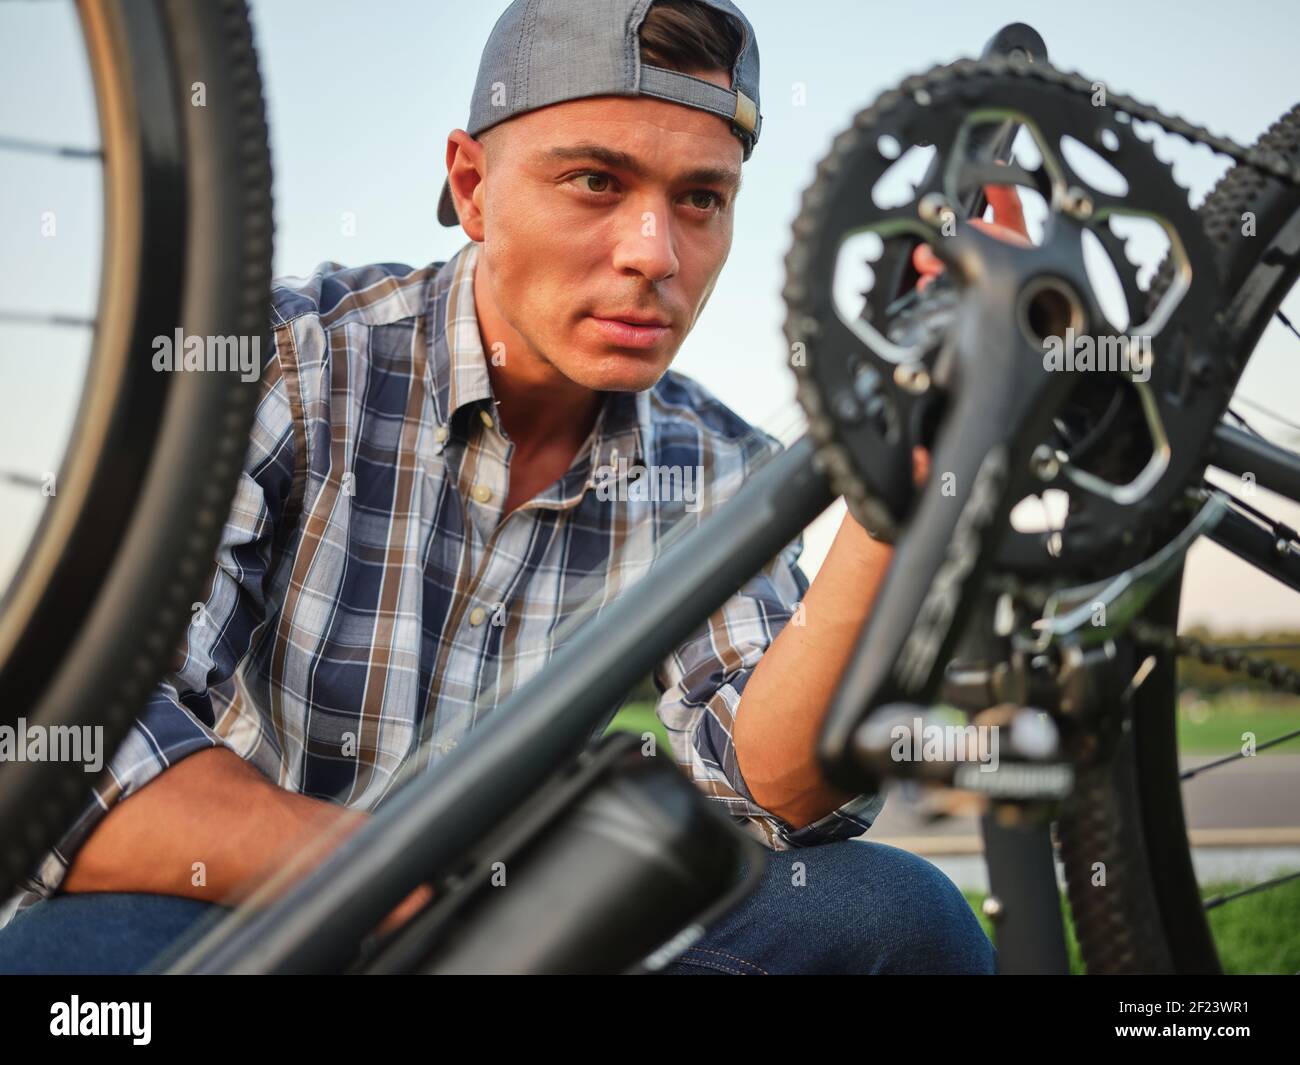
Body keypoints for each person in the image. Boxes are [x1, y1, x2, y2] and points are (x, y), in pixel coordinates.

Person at [0, 0, 995, 975]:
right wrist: (414, 897)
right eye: (597, 182)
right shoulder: (289, 365)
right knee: (66, 964)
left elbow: (773, 788)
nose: (655, 253)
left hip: (528, 933)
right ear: (472, 187)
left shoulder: (715, 463)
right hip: (258, 907)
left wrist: (893, 479)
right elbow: (72, 754)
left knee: (893, 914)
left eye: (701, 198)